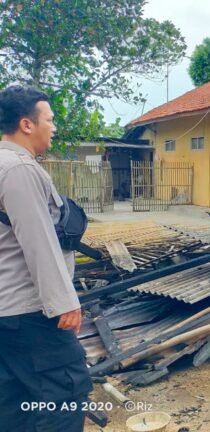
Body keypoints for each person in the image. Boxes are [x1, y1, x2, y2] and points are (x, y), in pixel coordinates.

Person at [0, 85, 92, 431]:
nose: (53, 127)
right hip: (31, 313)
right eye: (49, 120)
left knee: (14, 401)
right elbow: (37, 239)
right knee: (64, 393)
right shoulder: (18, 169)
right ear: (27, 124)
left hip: (7, 314)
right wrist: (64, 302)